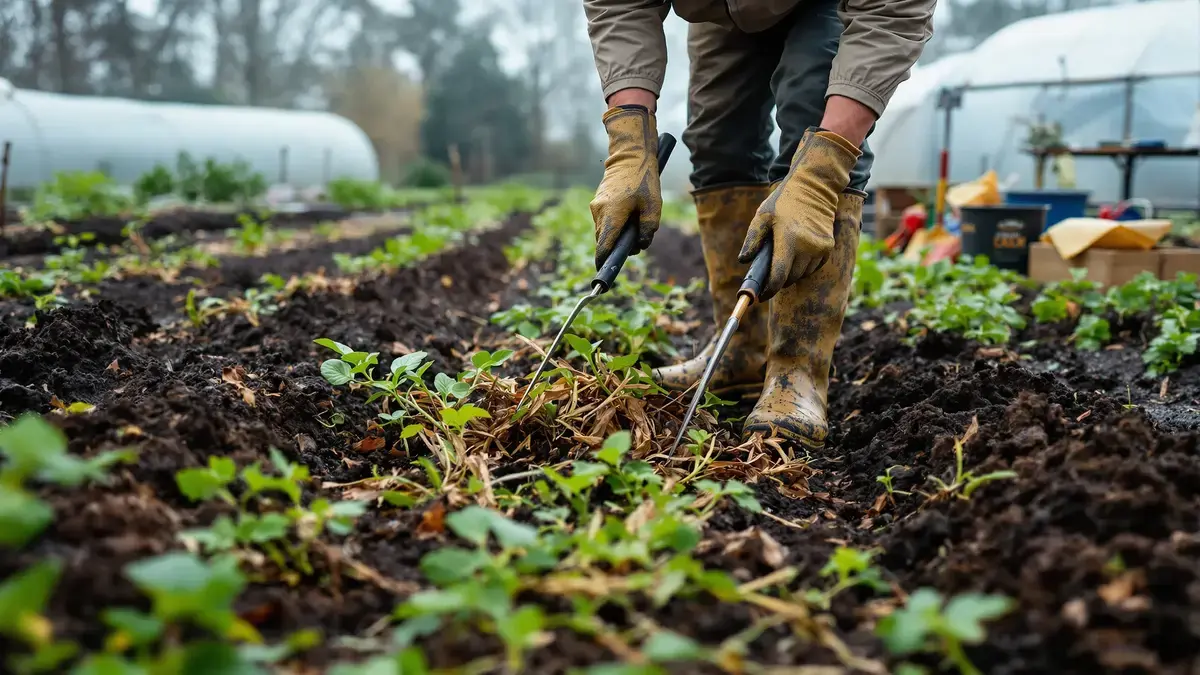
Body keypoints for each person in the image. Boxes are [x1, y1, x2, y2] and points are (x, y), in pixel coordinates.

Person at [583, 0, 935, 450]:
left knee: (811, 122)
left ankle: (796, 372)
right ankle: (742, 352)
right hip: (720, 11)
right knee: (718, 141)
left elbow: (893, 13)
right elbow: (619, 6)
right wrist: (630, 144)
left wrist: (822, 174)